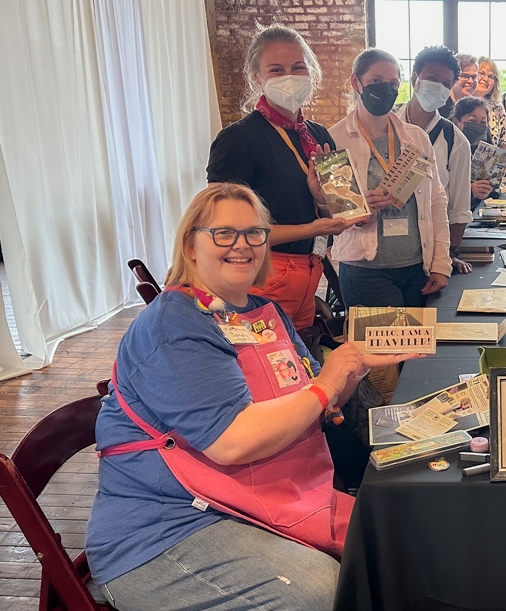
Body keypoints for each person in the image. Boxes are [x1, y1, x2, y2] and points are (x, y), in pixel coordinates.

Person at [86, 183, 416, 611]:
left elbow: (314, 406)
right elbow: (232, 440)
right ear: (190, 245)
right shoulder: (174, 323)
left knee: (391, 541)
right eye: (224, 233)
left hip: (261, 500)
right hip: (165, 530)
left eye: (254, 233)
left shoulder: (263, 311)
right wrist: (327, 384)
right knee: (319, 590)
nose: (242, 245)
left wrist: (351, 370)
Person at [206, 24, 357, 330]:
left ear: (310, 72)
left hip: (311, 270)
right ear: (256, 76)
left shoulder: (318, 134)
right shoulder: (236, 139)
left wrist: (321, 201)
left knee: (298, 365)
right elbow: (228, 232)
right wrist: (309, 228)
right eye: (276, 69)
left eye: (298, 67)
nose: (290, 76)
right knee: (267, 367)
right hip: (262, 272)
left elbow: (339, 214)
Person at [328, 48, 452, 308]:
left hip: (418, 268)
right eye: (376, 81)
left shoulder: (416, 138)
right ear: (356, 82)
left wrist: (442, 263)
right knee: (379, 349)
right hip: (367, 271)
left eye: (393, 83)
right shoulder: (334, 140)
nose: (386, 88)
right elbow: (331, 212)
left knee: (419, 348)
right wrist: (357, 213)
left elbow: (436, 202)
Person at [395, 46, 474, 274]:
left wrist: (448, 256)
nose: (438, 86)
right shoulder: (385, 126)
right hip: (384, 247)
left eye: (446, 84)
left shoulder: (455, 141)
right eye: (432, 78)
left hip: (430, 248)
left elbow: (459, 207)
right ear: (415, 78)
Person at [449, 95, 496, 209]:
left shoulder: (481, 151)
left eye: (483, 122)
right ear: (456, 122)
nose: (478, 126)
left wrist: (485, 190)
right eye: (472, 121)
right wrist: (469, 191)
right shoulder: (447, 149)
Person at [475, 56, 506, 149]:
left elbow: (505, 141)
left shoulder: (497, 107)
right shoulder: (460, 103)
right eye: (481, 73)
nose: (486, 79)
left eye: (490, 76)